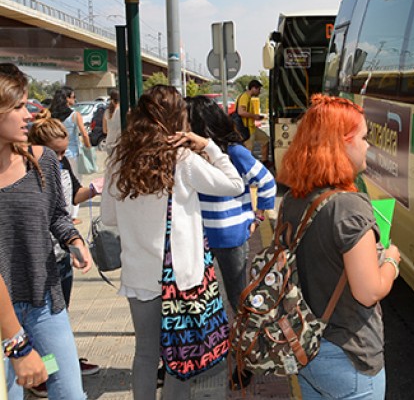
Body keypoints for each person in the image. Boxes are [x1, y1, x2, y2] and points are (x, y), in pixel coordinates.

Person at [100, 85, 244, 400]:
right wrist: (208, 145)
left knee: (145, 355)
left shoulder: (118, 159)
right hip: (181, 278)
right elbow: (235, 185)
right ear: (176, 119)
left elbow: (109, 219)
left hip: (140, 277)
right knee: (182, 358)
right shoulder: (182, 159)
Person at [277, 94, 401, 400]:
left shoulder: (294, 199)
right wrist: (392, 262)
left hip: (305, 346)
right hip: (349, 355)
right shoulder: (349, 206)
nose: (368, 146)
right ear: (341, 144)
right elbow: (368, 291)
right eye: (362, 138)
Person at [0, 63, 91, 399]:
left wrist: (73, 239)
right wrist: (18, 346)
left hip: (44, 305)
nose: (29, 115)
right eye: (19, 106)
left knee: (69, 394)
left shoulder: (43, 160)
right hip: (3, 317)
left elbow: (56, 213)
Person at [26, 117, 102, 394]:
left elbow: (65, 207)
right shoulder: (26, 172)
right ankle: (46, 371)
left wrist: (93, 189)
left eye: (64, 151)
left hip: (61, 254)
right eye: (56, 152)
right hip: (40, 259)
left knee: (60, 315)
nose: (61, 157)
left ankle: (60, 362)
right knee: (41, 321)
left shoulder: (63, 165)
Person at [186, 95, 276, 312]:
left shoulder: (234, 152)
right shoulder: (188, 155)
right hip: (199, 236)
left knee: (237, 296)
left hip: (230, 235)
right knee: (205, 298)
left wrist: (258, 216)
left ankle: (244, 341)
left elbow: (267, 182)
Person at [48, 86, 90, 224]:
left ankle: (60, 212)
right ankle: (72, 216)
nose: (74, 99)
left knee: (58, 183)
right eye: (72, 96)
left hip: (53, 152)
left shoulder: (50, 114)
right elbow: (84, 133)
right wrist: (88, 147)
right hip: (71, 152)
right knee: (75, 183)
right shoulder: (75, 115)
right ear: (67, 99)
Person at [1, 274, 48, 392]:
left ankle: (39, 379)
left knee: (62, 374)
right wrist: (20, 349)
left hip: (43, 295)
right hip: (10, 336)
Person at [234, 80, 268, 158]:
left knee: (265, 140)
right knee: (248, 151)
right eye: (258, 89)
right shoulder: (244, 97)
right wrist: (254, 116)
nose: (259, 92)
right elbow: (241, 112)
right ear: (253, 88)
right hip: (246, 129)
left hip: (252, 128)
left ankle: (265, 161)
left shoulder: (249, 98)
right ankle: (248, 168)